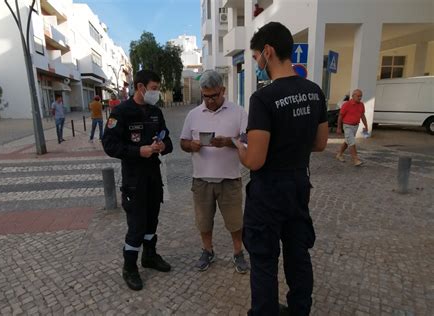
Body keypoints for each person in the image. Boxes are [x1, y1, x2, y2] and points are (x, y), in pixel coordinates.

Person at [233, 22, 328, 316]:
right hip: (299, 182)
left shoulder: (263, 98)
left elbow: (255, 161)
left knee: (263, 258)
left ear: (268, 52)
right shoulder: (314, 92)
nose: (257, 65)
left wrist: (240, 148)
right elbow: (321, 143)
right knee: (298, 253)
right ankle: (300, 310)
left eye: (255, 58)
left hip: (269, 191)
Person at [102, 70, 173, 291]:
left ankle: (149, 256)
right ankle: (129, 267)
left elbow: (168, 140)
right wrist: (137, 151)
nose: (156, 92)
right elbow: (110, 145)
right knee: (136, 226)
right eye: (153, 88)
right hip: (134, 179)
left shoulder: (155, 112)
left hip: (154, 177)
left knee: (152, 221)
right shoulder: (121, 112)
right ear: (140, 87)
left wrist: (162, 146)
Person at [180, 69, 249, 274]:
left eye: (213, 96)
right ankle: (207, 250)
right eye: (205, 96)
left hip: (230, 179)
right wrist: (190, 146)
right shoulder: (193, 115)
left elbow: (247, 140)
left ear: (223, 90)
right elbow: (182, 142)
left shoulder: (238, 112)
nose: (209, 101)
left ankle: (238, 252)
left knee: (235, 221)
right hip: (201, 180)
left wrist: (229, 142)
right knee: (203, 221)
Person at [336, 89, 368, 166]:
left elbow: (362, 116)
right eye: (358, 96)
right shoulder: (346, 105)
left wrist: (366, 125)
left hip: (355, 126)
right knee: (352, 142)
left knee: (348, 141)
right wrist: (339, 127)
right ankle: (355, 159)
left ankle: (339, 154)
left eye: (361, 96)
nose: (360, 98)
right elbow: (340, 116)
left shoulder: (361, 105)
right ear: (353, 96)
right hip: (347, 126)